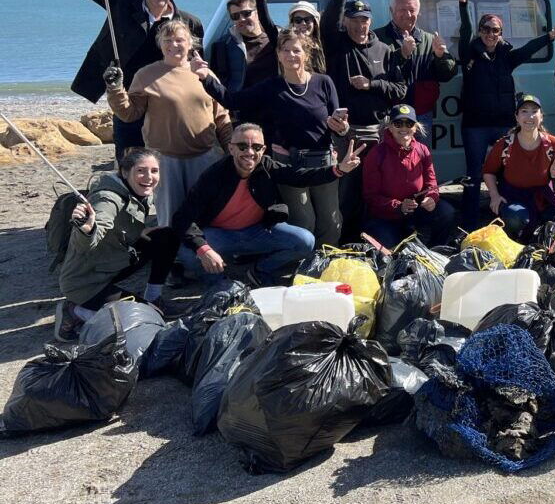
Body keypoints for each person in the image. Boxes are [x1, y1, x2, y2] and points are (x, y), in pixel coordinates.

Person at [21, 0, 204, 158]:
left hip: (167, 103)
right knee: (129, 162)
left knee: (163, 164)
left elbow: (198, 66)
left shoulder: (188, 23)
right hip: (127, 101)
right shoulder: (120, 4)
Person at [193, 27, 347, 247]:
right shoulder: (272, 87)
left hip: (323, 159)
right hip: (288, 162)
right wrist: (205, 77)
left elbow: (336, 121)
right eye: (285, 50)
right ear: (278, 54)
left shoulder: (323, 82)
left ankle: (323, 265)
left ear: (306, 53)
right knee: (304, 221)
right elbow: (232, 101)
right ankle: (303, 266)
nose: (291, 55)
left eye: (296, 50)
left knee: (332, 222)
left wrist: (341, 127)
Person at [172, 123, 364, 286]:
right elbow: (182, 218)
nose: (249, 152)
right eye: (242, 146)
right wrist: (204, 249)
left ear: (263, 150)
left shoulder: (267, 165)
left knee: (305, 241)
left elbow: (298, 176)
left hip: (258, 231)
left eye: (256, 147)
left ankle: (259, 271)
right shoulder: (213, 176)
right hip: (221, 236)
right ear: (230, 148)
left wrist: (339, 169)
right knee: (188, 252)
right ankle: (220, 284)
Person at [455, 0, 555, 228]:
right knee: (474, 174)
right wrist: (463, 3)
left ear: (501, 34)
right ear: (480, 31)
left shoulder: (507, 57)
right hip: (475, 125)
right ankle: (469, 223)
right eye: (486, 30)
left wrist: (551, 35)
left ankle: (504, 216)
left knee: (505, 171)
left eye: (495, 31)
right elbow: (464, 32)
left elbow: (528, 49)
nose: (490, 34)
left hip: (504, 124)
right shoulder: (468, 54)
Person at [104, 19, 231, 222]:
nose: (173, 45)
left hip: (205, 157)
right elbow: (129, 113)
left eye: (179, 40)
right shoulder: (146, 75)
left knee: (208, 215)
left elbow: (222, 117)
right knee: (171, 218)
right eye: (168, 40)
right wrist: (115, 88)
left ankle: (204, 253)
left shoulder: (203, 73)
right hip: (165, 160)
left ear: (190, 43)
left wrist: (230, 149)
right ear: (160, 44)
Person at [54, 148, 181, 341]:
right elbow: (89, 241)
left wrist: (139, 232)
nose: (149, 177)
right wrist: (88, 230)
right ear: (124, 172)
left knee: (166, 237)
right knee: (148, 316)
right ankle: (74, 311)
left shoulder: (135, 190)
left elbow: (123, 223)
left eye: (154, 171)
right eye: (141, 171)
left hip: (110, 263)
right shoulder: (107, 199)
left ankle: (153, 296)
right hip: (85, 281)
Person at [322, 0, 406, 239]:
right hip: (347, 132)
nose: (361, 24)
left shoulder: (384, 48)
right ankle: (346, 237)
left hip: (377, 130)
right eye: (355, 19)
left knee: (376, 187)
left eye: (365, 19)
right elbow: (328, 20)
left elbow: (399, 89)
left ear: (371, 20)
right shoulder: (336, 44)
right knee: (347, 188)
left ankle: (373, 236)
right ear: (346, 21)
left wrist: (372, 84)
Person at [483, 94, 555, 240]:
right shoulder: (504, 145)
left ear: (541, 117)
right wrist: (495, 196)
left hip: (545, 198)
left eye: (534, 111)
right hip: (514, 198)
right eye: (524, 111)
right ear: (516, 117)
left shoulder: (553, 144)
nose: (529, 117)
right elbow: (488, 172)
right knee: (516, 218)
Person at [361, 104, 455, 249]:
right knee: (392, 251)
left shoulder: (422, 150)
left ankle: (436, 250)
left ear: (415, 127)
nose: (404, 128)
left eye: (409, 123)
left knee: (446, 212)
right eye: (398, 123)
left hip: (415, 210)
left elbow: (432, 183)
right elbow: (370, 196)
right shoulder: (376, 154)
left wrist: (431, 198)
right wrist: (398, 206)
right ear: (390, 127)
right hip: (385, 216)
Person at [374, 0, 457, 140]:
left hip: (421, 115)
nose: (408, 14)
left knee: (420, 159)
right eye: (402, 10)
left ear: (419, 12)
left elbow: (446, 75)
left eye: (412, 10)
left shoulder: (429, 39)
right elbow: (375, 73)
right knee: (387, 162)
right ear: (392, 11)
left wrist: (441, 56)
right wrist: (402, 55)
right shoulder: (376, 38)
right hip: (388, 115)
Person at [250, 0, 326, 74]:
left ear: (315, 23)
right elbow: (265, 21)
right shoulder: (282, 41)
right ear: (292, 23)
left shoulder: (322, 43)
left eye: (307, 19)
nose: (303, 24)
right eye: (298, 20)